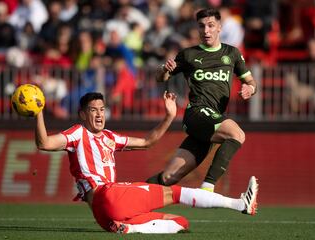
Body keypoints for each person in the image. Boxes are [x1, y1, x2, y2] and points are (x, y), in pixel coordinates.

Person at [34, 91, 259, 234]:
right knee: (174, 193)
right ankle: (239, 204)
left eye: (102, 109)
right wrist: (38, 112)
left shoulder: (110, 138)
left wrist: (169, 116)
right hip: (105, 194)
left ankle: (129, 228)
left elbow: (148, 142)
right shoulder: (77, 133)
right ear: (82, 115)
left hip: (106, 218)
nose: (99, 114)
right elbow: (44, 143)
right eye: (93, 110)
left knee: (180, 223)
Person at [146, 8, 257, 193]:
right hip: (197, 113)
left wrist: (250, 88)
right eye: (201, 26)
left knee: (169, 177)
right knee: (237, 134)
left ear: (219, 27)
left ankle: (132, 195)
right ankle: (207, 188)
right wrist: (164, 69)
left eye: (211, 25)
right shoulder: (188, 54)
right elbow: (160, 78)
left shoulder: (232, 54)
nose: (206, 30)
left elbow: (251, 81)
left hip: (213, 119)